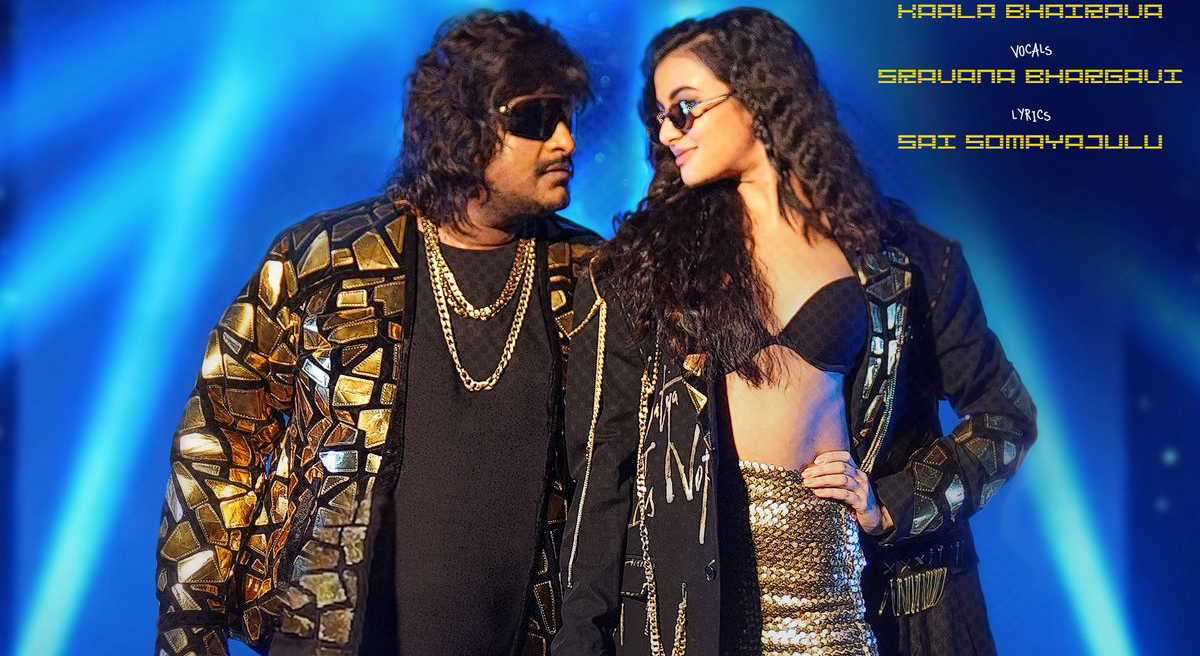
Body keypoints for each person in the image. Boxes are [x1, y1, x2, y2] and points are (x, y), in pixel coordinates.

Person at [553, 8, 1037, 656]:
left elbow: (1006, 417)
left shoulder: (906, 260)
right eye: (661, 115)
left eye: (685, 108)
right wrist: (580, 638)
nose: (668, 131)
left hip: (834, 603)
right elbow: (604, 469)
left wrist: (893, 502)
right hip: (693, 609)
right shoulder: (649, 264)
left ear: (759, 95)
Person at [154, 10, 600, 655]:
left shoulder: (591, 275)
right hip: (329, 633)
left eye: (568, 117)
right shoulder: (325, 258)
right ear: (462, 128)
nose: (564, 141)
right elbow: (221, 436)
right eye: (535, 118)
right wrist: (189, 625)